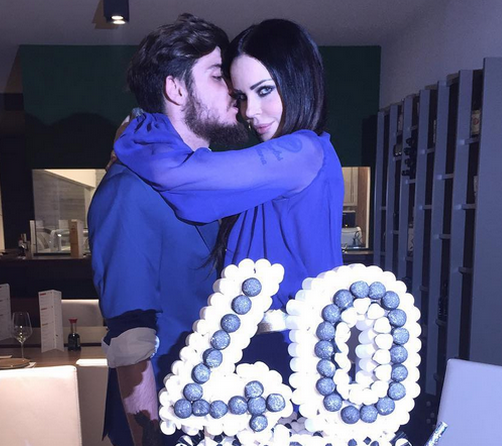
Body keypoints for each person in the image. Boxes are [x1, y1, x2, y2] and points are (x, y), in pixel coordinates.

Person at [114, 19, 344, 380]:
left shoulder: (304, 151)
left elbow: (184, 179)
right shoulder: (284, 163)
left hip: (289, 350)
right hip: (268, 348)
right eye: (242, 96)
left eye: (264, 90)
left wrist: (136, 132)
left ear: (298, 80)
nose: (249, 111)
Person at [88, 14, 249, 446]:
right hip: (166, 420)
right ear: (176, 89)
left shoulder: (213, 180)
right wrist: (151, 437)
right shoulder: (128, 190)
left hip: (219, 412)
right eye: (217, 75)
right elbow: (131, 338)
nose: (234, 90)